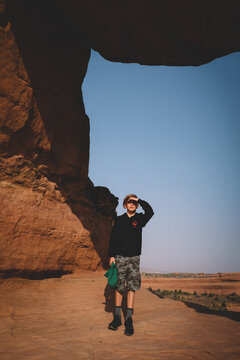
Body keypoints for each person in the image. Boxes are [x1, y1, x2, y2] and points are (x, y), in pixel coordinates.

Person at [108, 194, 154, 336]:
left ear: (137, 205)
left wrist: (139, 199)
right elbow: (113, 238)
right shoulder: (119, 220)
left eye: (134, 202)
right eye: (129, 202)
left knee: (132, 287)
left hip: (134, 258)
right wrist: (111, 255)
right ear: (125, 205)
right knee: (119, 287)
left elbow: (151, 212)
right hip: (120, 257)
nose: (132, 204)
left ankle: (128, 319)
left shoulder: (139, 219)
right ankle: (117, 318)